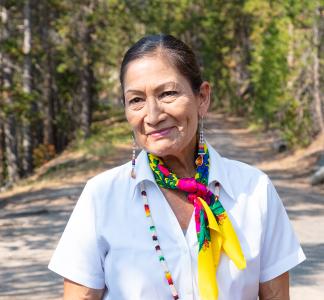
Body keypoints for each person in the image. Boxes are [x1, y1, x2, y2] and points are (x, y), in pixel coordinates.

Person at [48, 34, 306, 300]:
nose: (153, 115)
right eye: (136, 100)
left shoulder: (254, 190)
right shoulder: (102, 197)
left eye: (168, 93)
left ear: (202, 98)